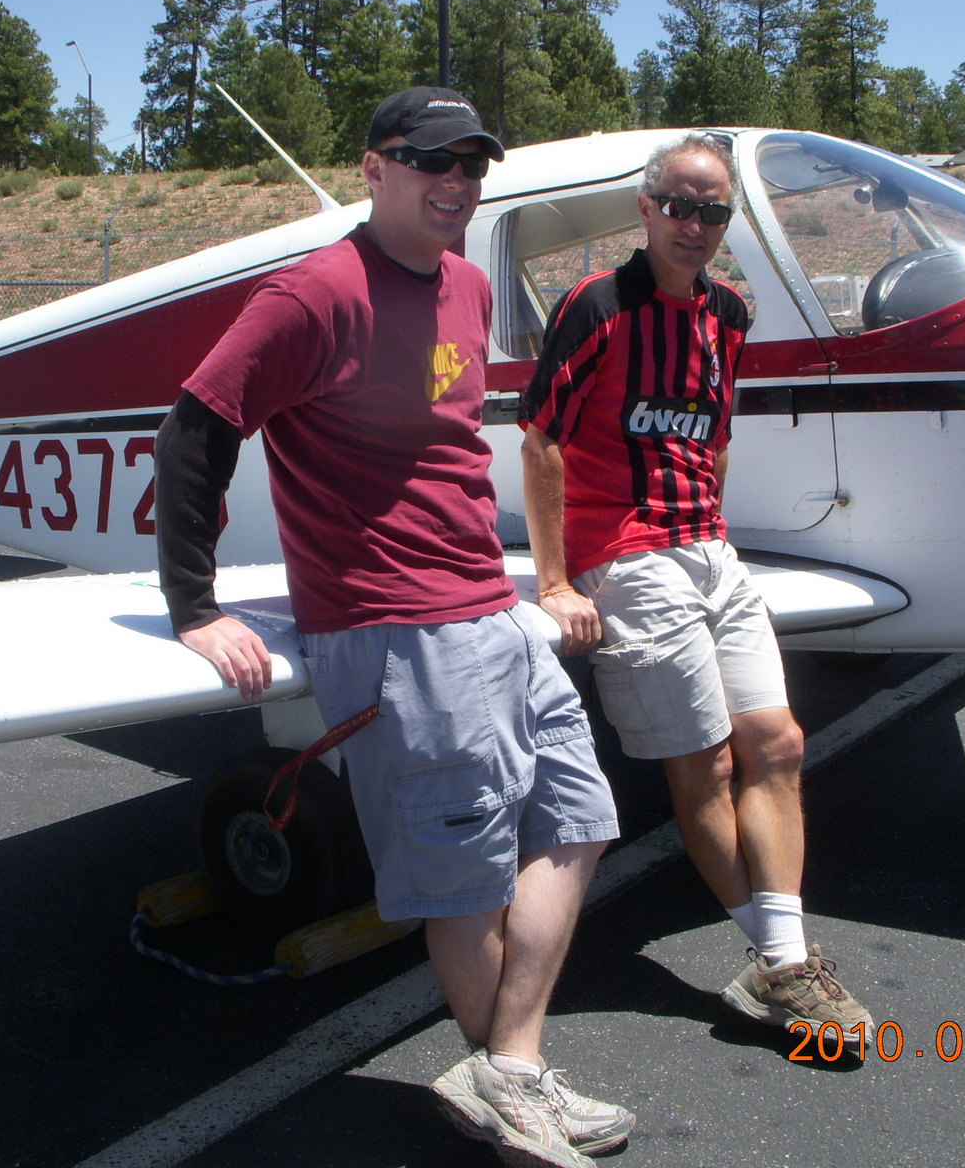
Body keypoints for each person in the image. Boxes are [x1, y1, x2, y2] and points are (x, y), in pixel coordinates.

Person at [154, 87, 628, 1168]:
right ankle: (516, 1089)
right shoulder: (314, 293)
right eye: (431, 160)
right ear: (375, 168)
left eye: (472, 164)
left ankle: (507, 1069)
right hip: (395, 629)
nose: (455, 181)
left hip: (490, 608)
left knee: (581, 820)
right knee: (465, 882)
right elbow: (194, 431)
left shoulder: (467, 283)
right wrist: (195, 607)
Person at [520, 131, 874, 1051]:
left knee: (778, 742)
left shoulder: (729, 314)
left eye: (713, 211)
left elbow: (715, 436)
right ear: (647, 208)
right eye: (679, 206)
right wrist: (555, 579)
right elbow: (543, 438)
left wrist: (713, 529)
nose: (695, 224)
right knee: (706, 763)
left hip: (710, 548)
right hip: (627, 556)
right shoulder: (597, 305)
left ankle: (779, 958)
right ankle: (784, 963)